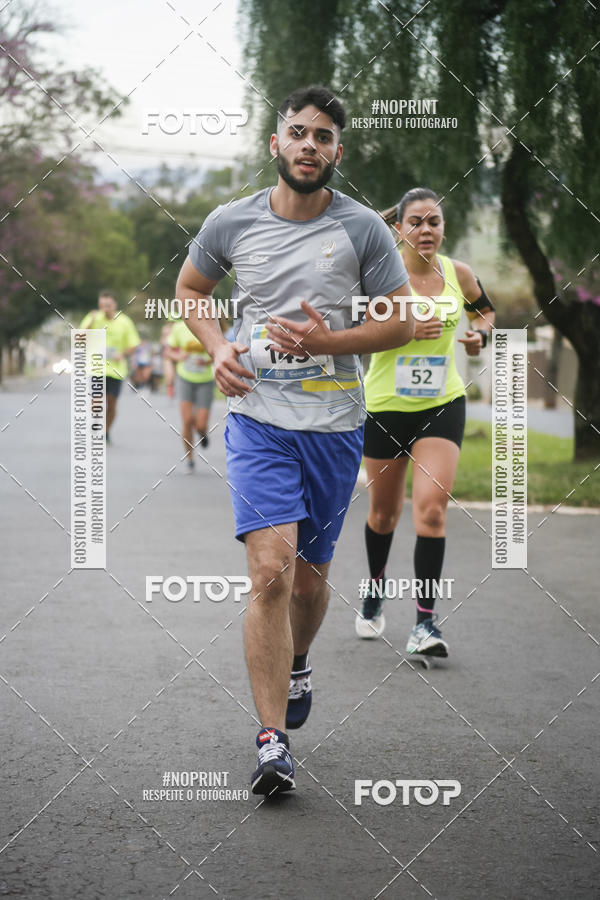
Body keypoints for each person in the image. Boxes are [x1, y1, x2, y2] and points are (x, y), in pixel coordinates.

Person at [175, 85, 414, 795]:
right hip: (258, 420)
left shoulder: (364, 229)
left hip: (335, 427)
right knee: (271, 572)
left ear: (338, 151)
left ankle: (298, 661)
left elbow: (401, 323)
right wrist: (218, 346)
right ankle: (272, 740)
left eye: (324, 136)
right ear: (276, 143)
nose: (311, 145)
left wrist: (329, 341)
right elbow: (191, 291)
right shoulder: (232, 220)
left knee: (310, 580)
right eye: (299, 132)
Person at [355, 187, 495, 659]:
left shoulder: (459, 274)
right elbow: (355, 329)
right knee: (383, 515)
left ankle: (424, 622)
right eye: (415, 222)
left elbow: (485, 311)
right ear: (399, 228)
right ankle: (375, 589)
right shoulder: (379, 273)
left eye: (434, 221)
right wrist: (408, 328)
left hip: (442, 403)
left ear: (444, 228)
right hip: (385, 405)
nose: (426, 230)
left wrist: (479, 337)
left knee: (432, 511)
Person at [80, 291, 140, 442]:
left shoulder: (124, 321)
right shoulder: (93, 318)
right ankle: (95, 419)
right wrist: (91, 321)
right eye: (102, 305)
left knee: (111, 404)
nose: (105, 308)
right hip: (96, 367)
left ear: (114, 305)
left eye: (108, 305)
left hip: (116, 369)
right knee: (97, 401)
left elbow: (134, 344)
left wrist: (123, 354)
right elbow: (81, 338)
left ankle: (106, 430)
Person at [167, 317, 215, 470]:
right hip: (185, 378)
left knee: (201, 424)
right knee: (187, 420)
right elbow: (168, 352)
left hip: (205, 380)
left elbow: (219, 352)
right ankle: (190, 457)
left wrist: (207, 362)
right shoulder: (179, 327)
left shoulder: (211, 324)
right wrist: (179, 357)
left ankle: (202, 433)